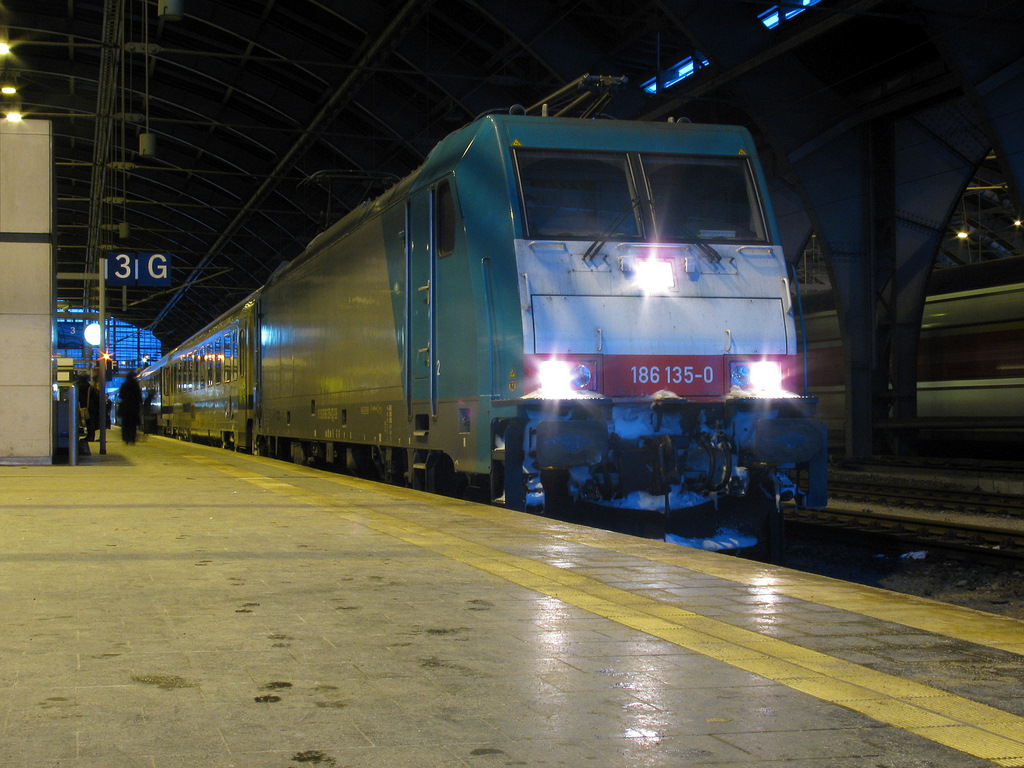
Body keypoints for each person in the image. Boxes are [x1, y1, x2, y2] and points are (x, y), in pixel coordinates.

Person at [118, 371, 143, 445]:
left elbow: (121, 396)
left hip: (125, 408)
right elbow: (139, 397)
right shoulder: (136, 385)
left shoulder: (124, 385)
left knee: (125, 424)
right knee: (133, 424)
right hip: (134, 408)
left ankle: (126, 438)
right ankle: (132, 438)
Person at [74, 374, 101, 442]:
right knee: (90, 422)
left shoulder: (77, 386)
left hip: (83, 406)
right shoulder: (90, 387)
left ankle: (88, 436)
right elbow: (95, 398)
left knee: (85, 422)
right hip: (91, 407)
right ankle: (90, 436)